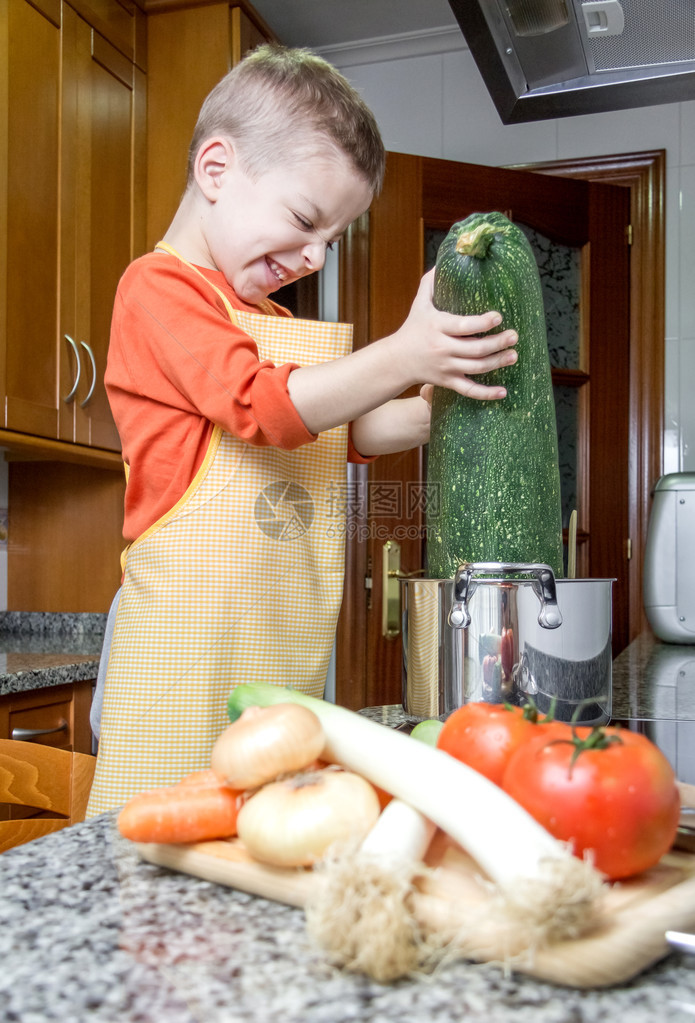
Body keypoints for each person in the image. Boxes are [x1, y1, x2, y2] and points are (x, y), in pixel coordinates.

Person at [86, 44, 517, 816]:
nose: (315, 254)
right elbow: (263, 406)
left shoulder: (276, 323)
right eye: (303, 219)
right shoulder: (158, 289)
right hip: (181, 651)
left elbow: (352, 429)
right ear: (216, 170)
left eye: (333, 236)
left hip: (276, 645)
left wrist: (452, 399)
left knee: (260, 839)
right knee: (153, 848)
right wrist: (402, 351)